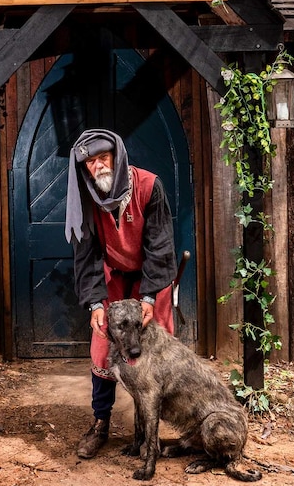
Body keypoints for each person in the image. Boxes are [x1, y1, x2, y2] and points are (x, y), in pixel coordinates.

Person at [64, 128, 177, 460]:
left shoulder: (148, 186)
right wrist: (96, 303)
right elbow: (85, 253)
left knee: (153, 352)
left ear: (117, 156)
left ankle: (147, 432)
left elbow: (160, 246)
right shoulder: (86, 196)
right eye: (90, 162)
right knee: (102, 347)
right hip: (113, 277)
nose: (98, 166)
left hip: (151, 278)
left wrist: (148, 297)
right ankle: (100, 423)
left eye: (103, 158)